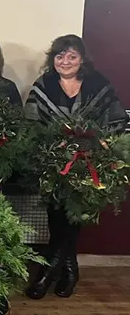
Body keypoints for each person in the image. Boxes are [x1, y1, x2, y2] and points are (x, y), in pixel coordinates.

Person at [24, 34, 128, 300]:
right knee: (56, 218)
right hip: (53, 165)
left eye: (72, 56)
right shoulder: (44, 85)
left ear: (82, 58)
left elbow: (116, 121)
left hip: (88, 165)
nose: (65, 61)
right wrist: (49, 149)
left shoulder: (98, 85)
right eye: (60, 56)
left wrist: (99, 146)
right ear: (53, 59)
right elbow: (31, 125)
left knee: (73, 219)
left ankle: (45, 275)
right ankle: (70, 271)